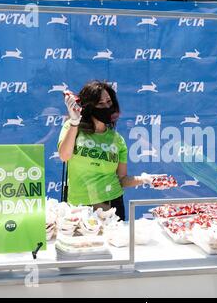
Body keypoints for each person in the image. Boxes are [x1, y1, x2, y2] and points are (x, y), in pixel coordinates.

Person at [58, 80, 155, 220]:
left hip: (111, 205)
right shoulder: (73, 127)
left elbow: (121, 179)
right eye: (100, 103)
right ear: (89, 107)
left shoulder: (118, 140)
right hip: (79, 207)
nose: (107, 106)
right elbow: (64, 156)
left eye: (109, 102)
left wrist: (144, 179)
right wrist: (74, 122)